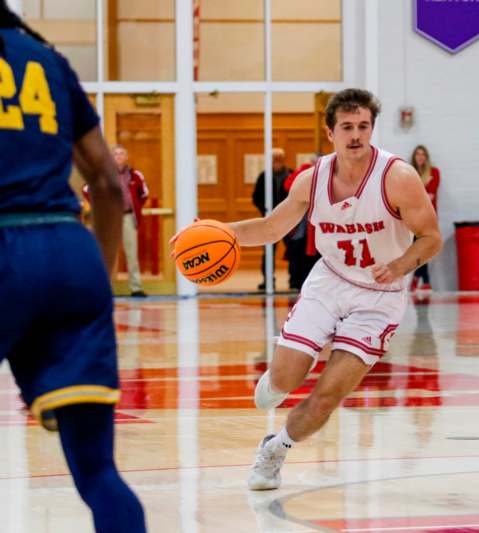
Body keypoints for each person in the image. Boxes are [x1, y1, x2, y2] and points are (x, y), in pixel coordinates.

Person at [176, 88, 442, 490]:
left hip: (380, 297)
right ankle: (277, 380)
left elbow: (432, 238)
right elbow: (270, 228)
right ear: (329, 131)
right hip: (330, 281)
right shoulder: (311, 179)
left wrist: (402, 264)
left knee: (328, 394)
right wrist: (216, 232)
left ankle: (275, 449)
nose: (356, 135)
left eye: (364, 127)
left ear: (373, 128)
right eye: (347, 127)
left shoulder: (397, 178)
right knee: (284, 380)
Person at [0, 4, 146, 532]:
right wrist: (97, 285)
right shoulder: (47, 58)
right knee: (98, 472)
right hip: (70, 251)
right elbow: (108, 184)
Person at [84, 144, 149, 297]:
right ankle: (105, 287)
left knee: (132, 253)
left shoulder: (135, 175)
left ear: (126, 157)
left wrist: (136, 207)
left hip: (127, 217)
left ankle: (136, 287)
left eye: (121, 154)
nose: (118, 157)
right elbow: (87, 190)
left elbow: (144, 194)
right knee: (107, 254)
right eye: (115, 154)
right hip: (109, 219)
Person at [252, 147, 293, 291]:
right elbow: (256, 197)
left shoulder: (291, 175)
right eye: (274, 159)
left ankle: (294, 279)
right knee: (268, 251)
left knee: (293, 250)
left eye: (279, 159)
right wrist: (265, 209)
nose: (277, 162)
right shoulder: (264, 176)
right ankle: (268, 279)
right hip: (269, 220)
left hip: (289, 219)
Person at [282, 155, 321, 289]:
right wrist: (305, 169)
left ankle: (310, 283)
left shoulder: (326, 176)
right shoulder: (303, 174)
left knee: (314, 256)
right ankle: (295, 282)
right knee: (297, 253)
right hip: (300, 225)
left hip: (316, 226)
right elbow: (288, 185)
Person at [409, 145, 440, 291]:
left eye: (423, 154)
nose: (420, 157)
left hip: (429, 217)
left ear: (426, 157)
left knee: (425, 247)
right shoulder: (409, 173)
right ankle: (424, 279)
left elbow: (430, 196)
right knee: (419, 248)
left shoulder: (434, 172)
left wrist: (418, 195)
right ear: (414, 157)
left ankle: (419, 277)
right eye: (417, 154)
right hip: (413, 217)